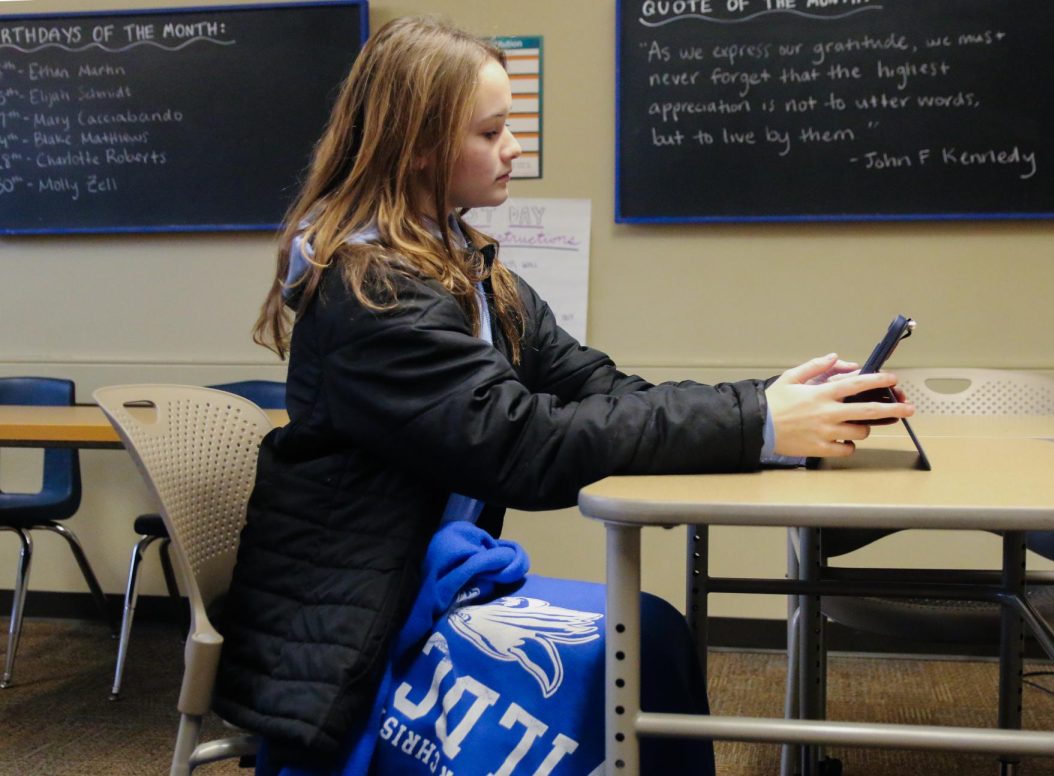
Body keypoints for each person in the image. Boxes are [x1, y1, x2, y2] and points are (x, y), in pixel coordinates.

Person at [212, 14, 913, 775]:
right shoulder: (373, 293)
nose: (513, 148)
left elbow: (598, 389)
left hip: (410, 579)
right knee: (642, 643)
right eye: (490, 132)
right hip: (354, 626)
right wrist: (761, 422)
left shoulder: (466, 268)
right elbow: (524, 446)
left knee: (651, 637)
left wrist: (769, 403)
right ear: (415, 145)